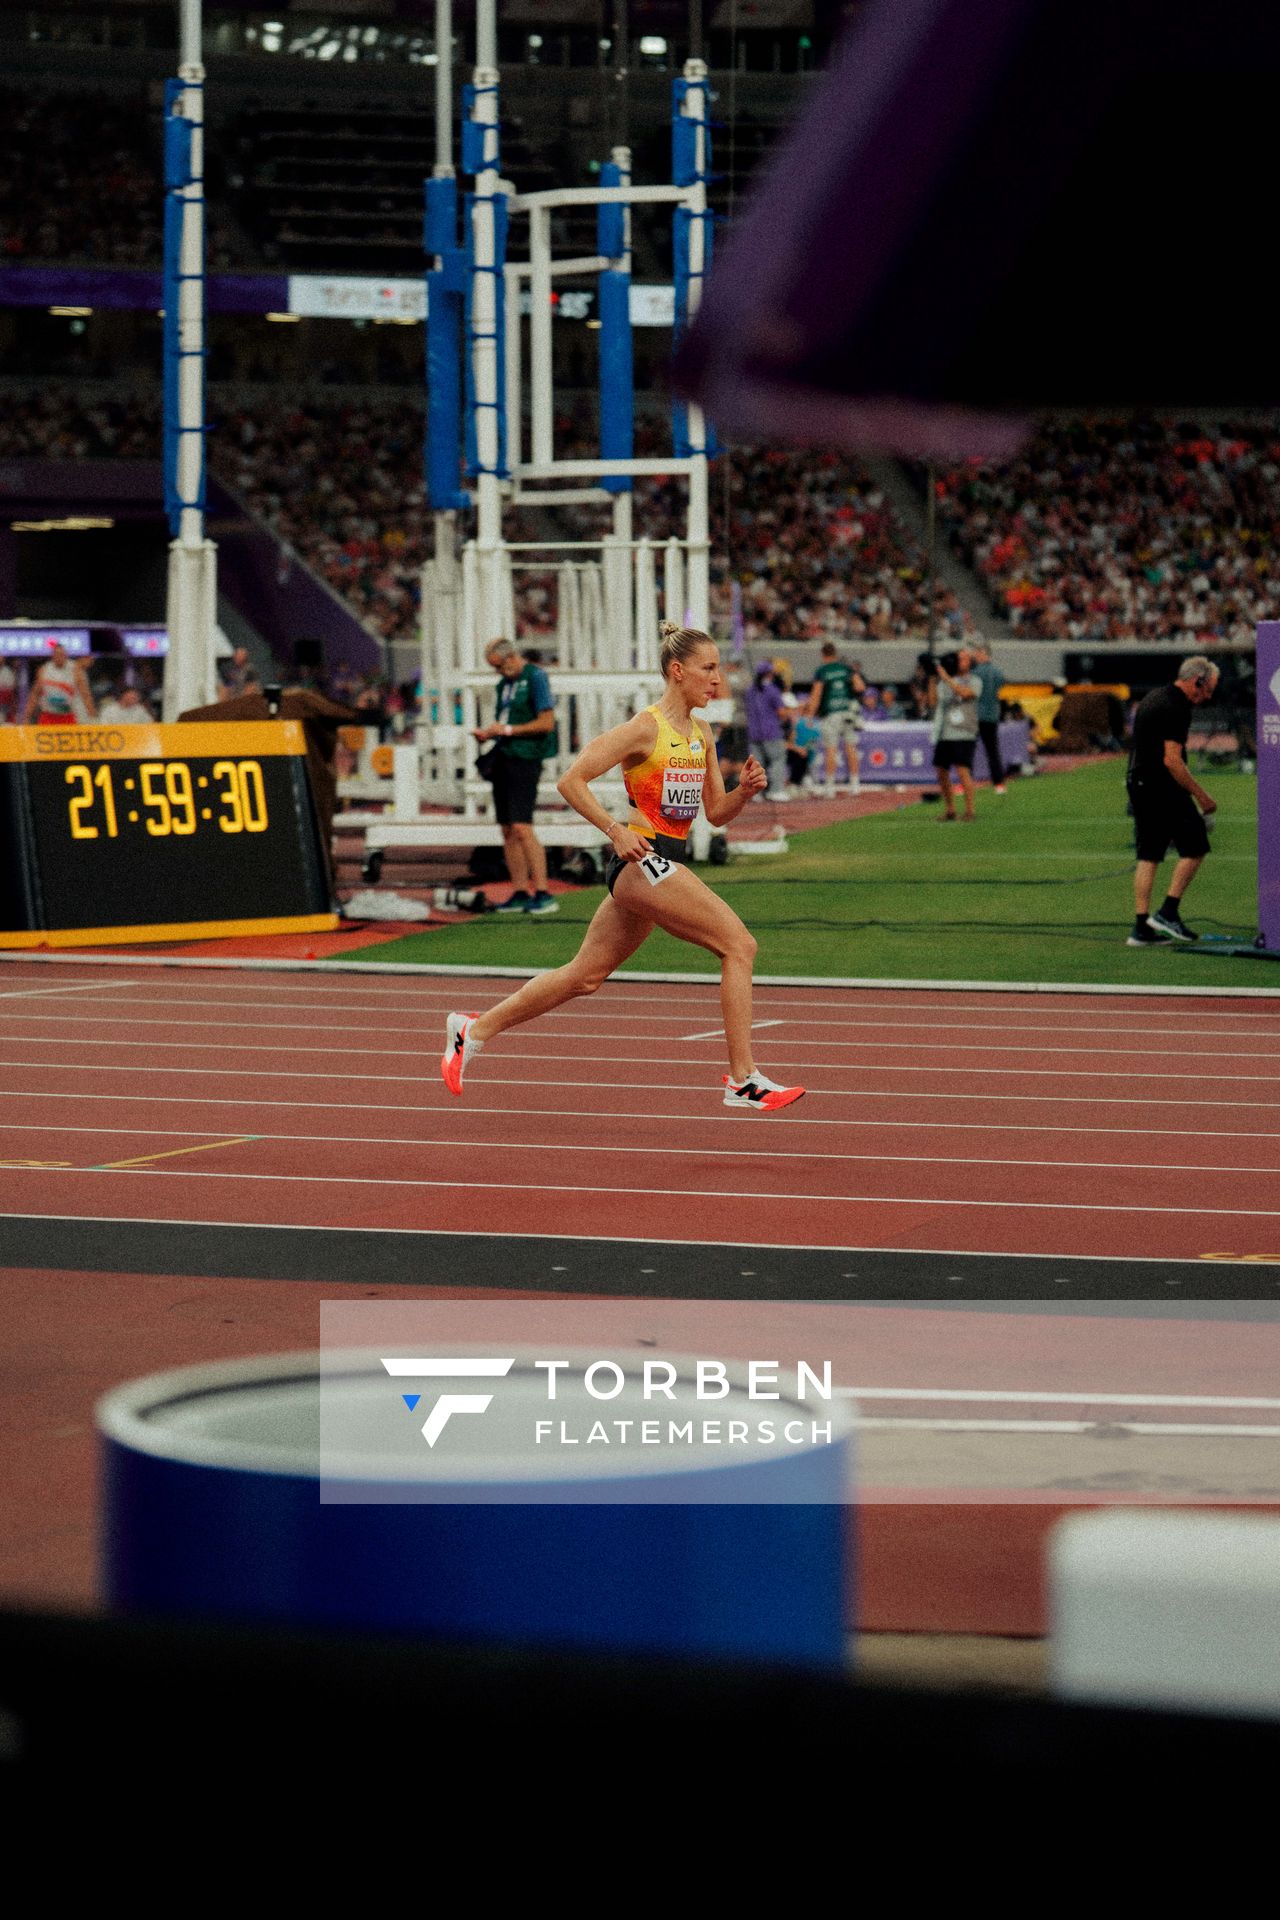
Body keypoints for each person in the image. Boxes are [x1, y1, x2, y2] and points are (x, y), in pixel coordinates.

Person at [442, 620, 805, 1113]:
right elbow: (572, 781)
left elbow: (715, 816)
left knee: (584, 976)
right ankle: (742, 1079)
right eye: (709, 668)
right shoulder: (644, 728)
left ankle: (473, 1029)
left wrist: (743, 792)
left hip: (663, 862)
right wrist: (616, 829)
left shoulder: (701, 734)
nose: (718, 680)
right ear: (678, 671)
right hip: (643, 861)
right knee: (739, 945)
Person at [1125, 655, 1219, 944]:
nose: (1207, 697)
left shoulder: (1154, 696)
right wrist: (1202, 796)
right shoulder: (1176, 706)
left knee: (1149, 854)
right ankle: (1168, 911)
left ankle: (1141, 927)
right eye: (1207, 689)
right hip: (1161, 785)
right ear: (1197, 681)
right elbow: (1172, 761)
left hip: (1139, 781)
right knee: (1196, 845)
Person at [473, 638, 560, 916]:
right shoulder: (504, 685)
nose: (498, 673)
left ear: (511, 657)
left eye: (499, 666)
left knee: (522, 827)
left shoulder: (536, 677)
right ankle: (521, 891)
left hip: (525, 758)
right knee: (508, 829)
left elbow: (546, 723)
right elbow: (507, 721)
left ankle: (544, 892)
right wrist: (491, 733)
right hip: (505, 757)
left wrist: (507, 731)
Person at [805, 642, 865, 796]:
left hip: (831, 713)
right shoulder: (846, 669)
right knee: (850, 747)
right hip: (847, 712)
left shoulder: (822, 671)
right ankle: (855, 784)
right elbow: (860, 687)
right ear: (835, 653)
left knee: (831, 749)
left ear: (823, 655)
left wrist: (810, 715)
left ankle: (830, 786)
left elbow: (816, 694)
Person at [930, 647, 980, 821]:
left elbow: (965, 693)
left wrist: (946, 678)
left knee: (962, 770)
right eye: (959, 658)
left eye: (965, 659)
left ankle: (970, 810)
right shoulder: (943, 682)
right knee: (941, 771)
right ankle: (950, 809)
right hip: (945, 732)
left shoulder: (974, 680)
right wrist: (933, 677)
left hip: (964, 731)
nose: (961, 661)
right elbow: (933, 702)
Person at [744, 661, 791, 801]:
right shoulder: (772, 690)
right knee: (777, 760)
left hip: (753, 732)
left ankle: (756, 792)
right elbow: (781, 712)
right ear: (770, 674)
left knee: (757, 764)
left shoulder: (750, 690)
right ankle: (776, 790)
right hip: (771, 732)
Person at [24, 640, 94, 725]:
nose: (59, 657)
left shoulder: (75, 670)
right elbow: (34, 695)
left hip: (67, 715)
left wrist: (92, 716)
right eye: (57, 654)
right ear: (52, 656)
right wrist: (27, 717)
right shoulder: (44, 670)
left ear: (66, 655)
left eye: (61, 654)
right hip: (48, 716)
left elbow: (85, 695)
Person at [970, 641, 1007, 792]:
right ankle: (999, 783)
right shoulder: (998, 672)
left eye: (978, 653)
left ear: (984, 654)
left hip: (977, 715)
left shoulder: (975, 673)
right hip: (992, 715)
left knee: (969, 750)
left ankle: (966, 782)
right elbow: (1001, 685)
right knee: (993, 750)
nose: (976, 656)